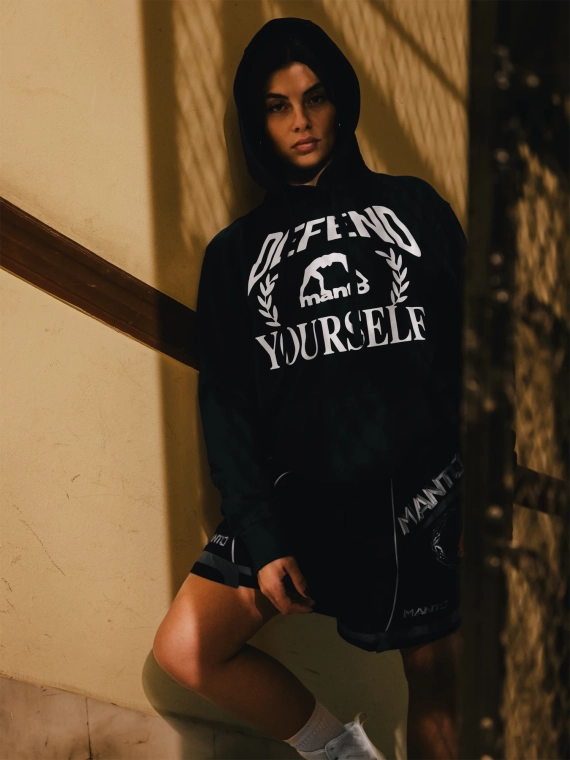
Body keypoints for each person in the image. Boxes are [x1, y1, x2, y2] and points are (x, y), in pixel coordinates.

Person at [153, 17, 466, 760]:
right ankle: (345, 755)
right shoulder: (235, 255)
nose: (301, 121)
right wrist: (262, 539)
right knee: (186, 647)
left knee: (437, 682)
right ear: (255, 120)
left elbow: (475, 351)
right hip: (301, 497)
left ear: (340, 102)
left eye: (315, 98)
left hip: (420, 487)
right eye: (278, 105)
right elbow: (227, 403)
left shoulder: (414, 207)